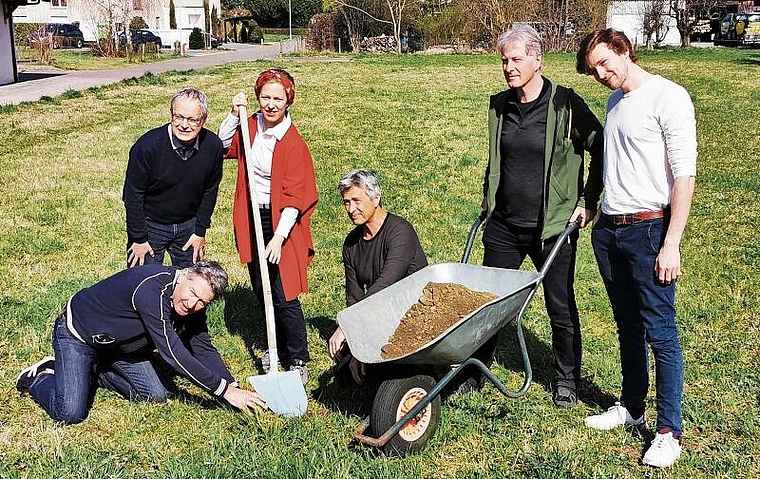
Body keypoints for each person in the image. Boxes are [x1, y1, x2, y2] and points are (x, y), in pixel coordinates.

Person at [576, 29, 697, 468]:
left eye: (607, 63)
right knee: (627, 325)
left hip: (649, 231)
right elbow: (613, 165)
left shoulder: (669, 97)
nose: (602, 75)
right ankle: (631, 405)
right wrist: (593, 210)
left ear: (626, 51)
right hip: (610, 231)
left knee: (661, 333)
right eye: (594, 70)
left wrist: (672, 243)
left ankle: (668, 431)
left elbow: (684, 175)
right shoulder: (614, 103)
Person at [480, 25, 603, 407]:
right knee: (487, 301)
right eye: (504, 60)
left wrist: (588, 199)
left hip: (553, 226)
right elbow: (498, 160)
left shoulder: (566, 105)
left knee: (559, 305)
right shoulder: (499, 105)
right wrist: (488, 196)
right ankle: (475, 369)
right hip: (504, 224)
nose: (509, 67)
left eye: (516, 59)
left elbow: (602, 147)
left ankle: (567, 379)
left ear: (538, 59)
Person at [15, 261, 267, 425]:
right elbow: (172, 352)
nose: (193, 305)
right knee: (69, 412)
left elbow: (202, 346)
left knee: (155, 395)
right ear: (185, 276)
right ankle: (42, 375)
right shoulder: (152, 290)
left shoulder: (193, 306)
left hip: (122, 348)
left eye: (202, 302)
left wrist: (231, 385)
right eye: (192, 294)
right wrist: (223, 391)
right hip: (79, 335)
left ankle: (92, 371)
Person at [218, 69, 318, 386]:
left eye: (278, 98)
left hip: (280, 221)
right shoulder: (251, 126)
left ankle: (298, 358)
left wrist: (278, 236)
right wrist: (234, 115)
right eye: (265, 97)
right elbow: (222, 146)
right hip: (252, 215)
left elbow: (294, 196)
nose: (271, 104)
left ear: (289, 100)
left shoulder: (292, 143)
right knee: (262, 288)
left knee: (284, 291)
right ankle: (276, 349)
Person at [327, 169, 428, 385]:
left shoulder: (400, 232)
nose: (351, 209)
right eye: (346, 202)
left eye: (356, 200)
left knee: (379, 363)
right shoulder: (351, 244)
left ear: (376, 197)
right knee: (345, 371)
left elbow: (386, 284)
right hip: (384, 310)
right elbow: (353, 296)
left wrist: (347, 327)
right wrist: (355, 339)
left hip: (414, 310)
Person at [122, 88, 224, 269]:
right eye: (178, 117)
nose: (184, 125)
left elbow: (210, 190)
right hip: (150, 224)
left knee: (192, 281)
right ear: (171, 114)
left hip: (189, 226)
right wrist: (138, 238)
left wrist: (200, 231)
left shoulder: (213, 146)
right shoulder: (147, 146)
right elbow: (133, 195)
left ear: (204, 120)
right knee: (142, 284)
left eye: (193, 119)